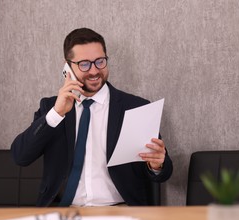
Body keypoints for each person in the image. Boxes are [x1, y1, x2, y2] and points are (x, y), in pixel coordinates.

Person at [11, 28, 173, 207]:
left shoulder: (135, 107)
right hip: (63, 213)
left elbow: (163, 173)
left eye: (100, 61)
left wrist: (157, 165)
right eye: (84, 64)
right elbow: (20, 157)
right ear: (68, 67)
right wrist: (57, 114)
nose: (94, 71)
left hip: (119, 212)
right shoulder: (51, 108)